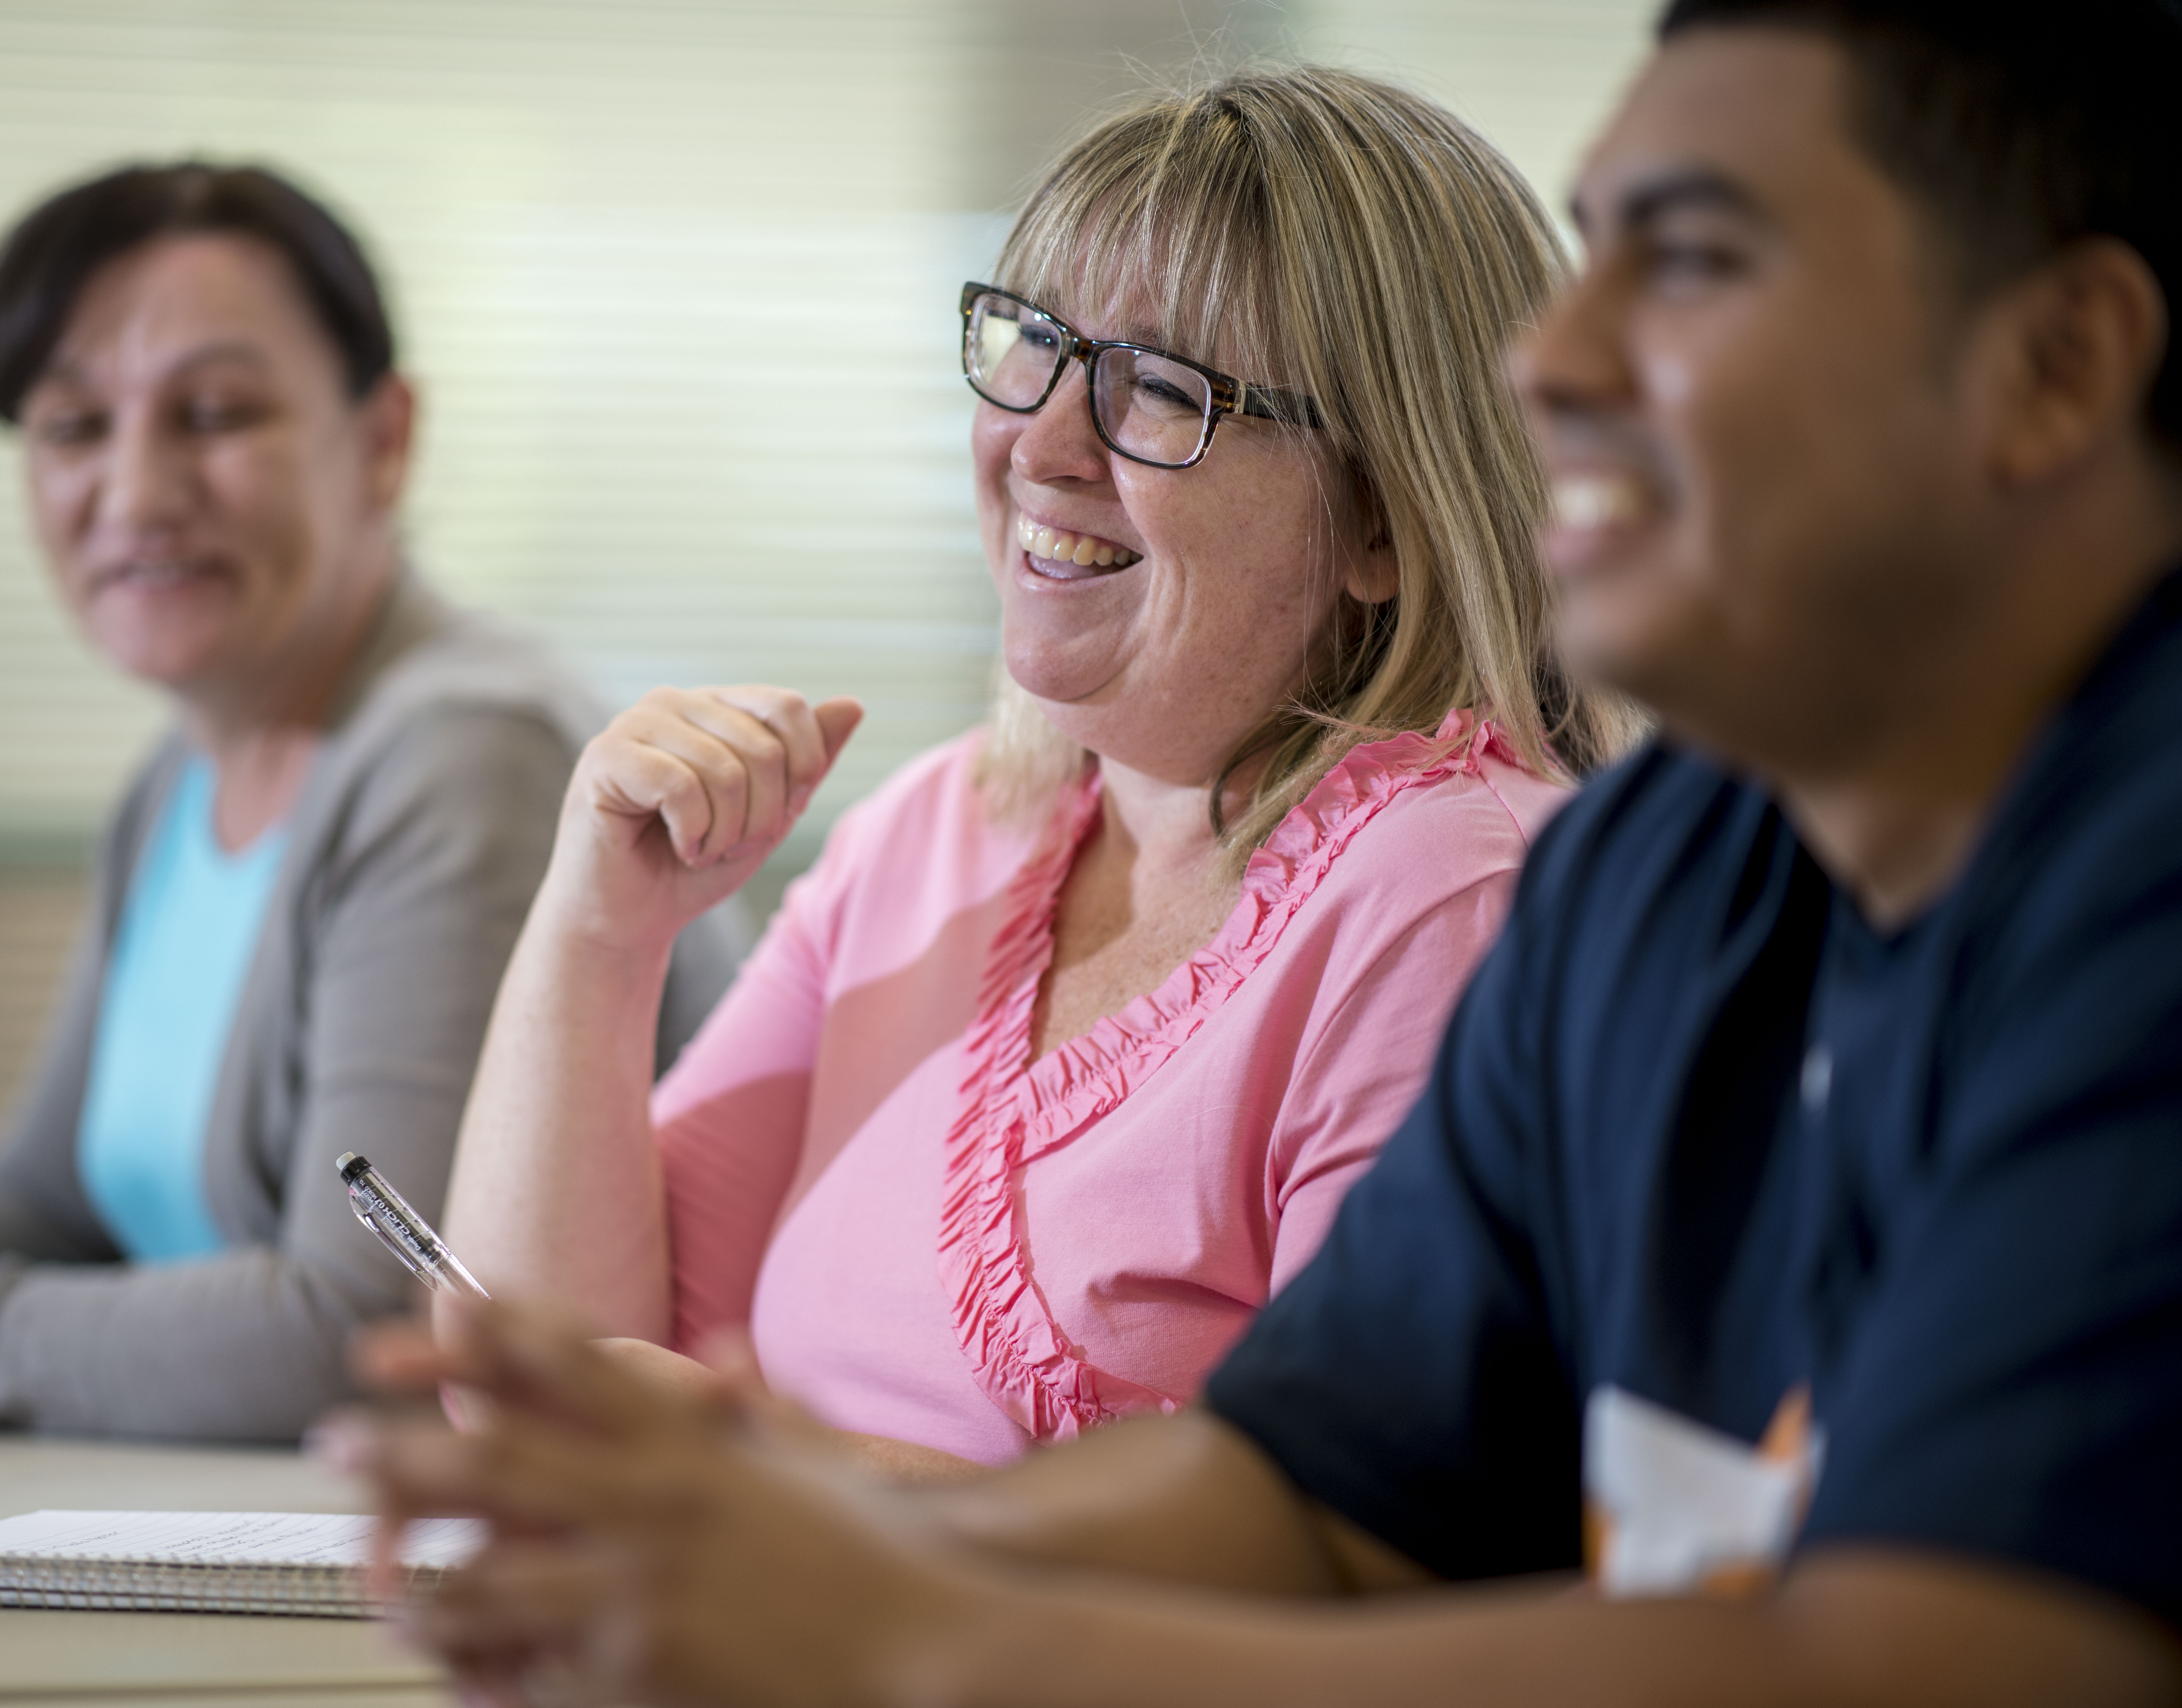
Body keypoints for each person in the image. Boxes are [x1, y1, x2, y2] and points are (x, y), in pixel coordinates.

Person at [324, 1, 2182, 1708]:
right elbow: (1318, 1498)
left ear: (2053, 370)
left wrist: (913, 1643)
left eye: (1692, 263)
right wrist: (793, 1530)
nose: (1551, 363)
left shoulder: (2145, 885)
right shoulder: (1667, 871)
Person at [443, 69, 1639, 1476]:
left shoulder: (1459, 894)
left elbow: (1368, 1543)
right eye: (1034, 347)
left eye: (1162, 391)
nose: (1044, 447)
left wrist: (778, 1484)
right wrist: (600, 931)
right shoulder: (946, 826)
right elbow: (542, 1391)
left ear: (1384, 519)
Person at [0, 162, 741, 1441]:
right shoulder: (183, 773)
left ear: (383, 440)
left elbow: (372, 1327)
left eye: (214, 413)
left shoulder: (465, 756)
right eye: (75, 428)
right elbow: (50, 1208)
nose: (135, 492)